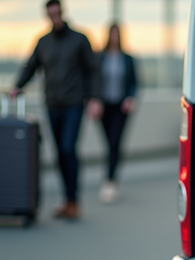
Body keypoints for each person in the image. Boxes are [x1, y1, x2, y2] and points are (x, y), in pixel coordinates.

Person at [10, 0, 102, 220]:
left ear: (62, 12)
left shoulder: (80, 39)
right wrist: (17, 86)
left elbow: (93, 70)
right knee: (60, 153)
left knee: (69, 148)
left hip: (73, 104)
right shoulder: (43, 42)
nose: (54, 17)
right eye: (50, 14)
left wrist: (95, 98)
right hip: (52, 105)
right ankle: (66, 200)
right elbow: (30, 66)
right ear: (47, 16)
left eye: (57, 13)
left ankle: (74, 200)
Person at [97, 23, 138, 203]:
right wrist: (94, 99)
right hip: (104, 106)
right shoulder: (99, 57)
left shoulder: (128, 59)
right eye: (112, 34)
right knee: (109, 143)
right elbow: (94, 80)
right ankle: (111, 176)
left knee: (115, 142)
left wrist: (131, 97)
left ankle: (110, 181)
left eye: (117, 34)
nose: (115, 37)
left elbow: (134, 82)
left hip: (121, 107)